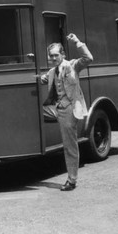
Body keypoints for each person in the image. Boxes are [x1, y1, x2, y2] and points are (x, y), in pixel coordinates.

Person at [40, 33, 93, 191]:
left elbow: (89, 58)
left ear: (63, 54)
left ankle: (72, 180)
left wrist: (77, 42)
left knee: (69, 145)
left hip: (70, 108)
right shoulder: (51, 72)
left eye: (56, 55)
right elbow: (45, 79)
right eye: (51, 56)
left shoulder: (73, 65)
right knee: (34, 115)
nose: (54, 58)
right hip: (57, 108)